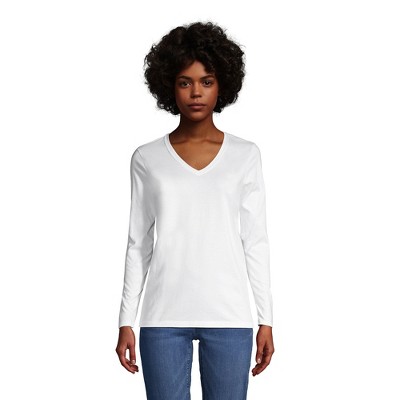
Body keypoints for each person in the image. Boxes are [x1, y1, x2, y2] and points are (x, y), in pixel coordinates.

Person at [115, 21, 275, 400]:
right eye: (185, 82)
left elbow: (255, 240)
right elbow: (139, 243)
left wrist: (265, 318)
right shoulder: (147, 159)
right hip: (162, 317)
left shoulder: (245, 155)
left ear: (222, 85)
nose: (196, 92)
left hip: (229, 315)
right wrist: (126, 320)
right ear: (169, 86)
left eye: (207, 81)